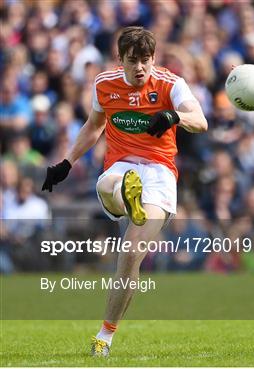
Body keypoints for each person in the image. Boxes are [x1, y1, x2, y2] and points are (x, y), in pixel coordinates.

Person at [41, 27, 208, 356]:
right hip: (121, 167)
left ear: (154, 58)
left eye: (146, 60)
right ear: (121, 60)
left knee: (131, 255)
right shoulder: (104, 84)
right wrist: (67, 162)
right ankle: (130, 203)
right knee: (106, 182)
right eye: (133, 61)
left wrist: (173, 115)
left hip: (160, 174)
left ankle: (105, 336)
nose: (141, 68)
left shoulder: (170, 83)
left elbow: (200, 120)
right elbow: (94, 125)